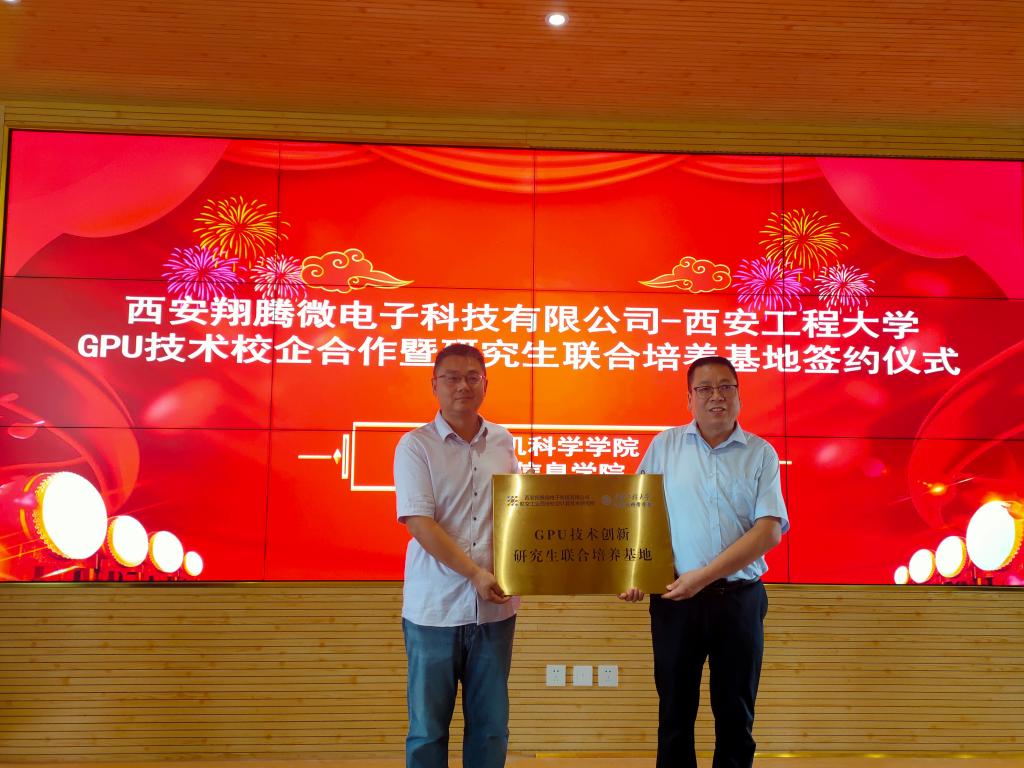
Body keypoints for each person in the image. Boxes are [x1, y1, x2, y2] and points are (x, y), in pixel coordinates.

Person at [620, 355, 789, 768]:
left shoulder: (760, 453)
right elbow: (637, 514)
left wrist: (704, 576)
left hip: (740, 599)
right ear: (690, 398)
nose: (717, 396)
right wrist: (633, 571)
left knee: (736, 714)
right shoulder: (665, 446)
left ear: (739, 395)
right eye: (705, 388)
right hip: (676, 599)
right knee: (675, 714)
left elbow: (768, 531)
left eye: (726, 386)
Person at [394, 343, 519, 768]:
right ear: (434, 385)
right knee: (428, 730)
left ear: (486, 384)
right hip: (435, 611)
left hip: (494, 612)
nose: (462, 385)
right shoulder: (415, 446)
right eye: (451, 377)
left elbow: (516, 513)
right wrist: (475, 574)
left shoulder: (503, 441)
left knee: (490, 728)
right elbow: (419, 523)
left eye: (472, 377)